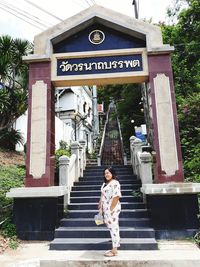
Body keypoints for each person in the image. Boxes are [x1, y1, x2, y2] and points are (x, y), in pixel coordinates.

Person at [98, 166, 122, 257]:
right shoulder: (105, 183)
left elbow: (116, 197)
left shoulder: (115, 183)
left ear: (112, 173)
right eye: (105, 173)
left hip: (113, 208)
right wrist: (100, 204)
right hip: (106, 208)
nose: (106, 175)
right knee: (111, 227)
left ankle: (114, 250)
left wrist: (111, 209)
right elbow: (102, 194)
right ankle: (116, 240)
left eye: (108, 173)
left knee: (113, 227)